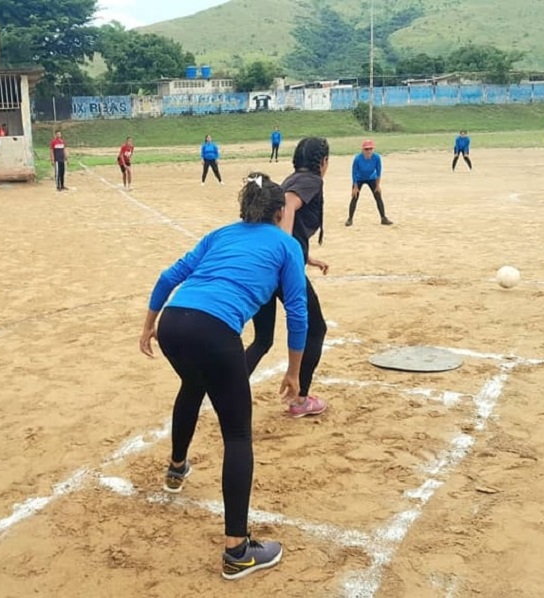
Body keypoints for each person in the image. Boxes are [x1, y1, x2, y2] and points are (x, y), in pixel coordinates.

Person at [140, 173, 307, 580]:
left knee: (193, 385)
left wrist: (149, 326)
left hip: (173, 325)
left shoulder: (220, 234)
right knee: (237, 434)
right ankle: (238, 551)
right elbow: (297, 311)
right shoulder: (287, 244)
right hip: (213, 330)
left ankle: (177, 468)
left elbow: (168, 277)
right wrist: (295, 371)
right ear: (279, 211)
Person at [245, 137, 332, 418]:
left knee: (263, 340)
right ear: (322, 162)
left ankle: (225, 385)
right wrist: (281, 252)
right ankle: (300, 400)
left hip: (267, 267)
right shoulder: (310, 181)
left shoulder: (290, 179)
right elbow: (290, 209)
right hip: (281, 268)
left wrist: (306, 258)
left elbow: (282, 219)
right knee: (315, 329)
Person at [347, 139, 391, 226]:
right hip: (359, 179)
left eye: (370, 149)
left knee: (378, 196)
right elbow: (354, 173)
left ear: (373, 149)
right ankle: (350, 219)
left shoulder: (377, 158)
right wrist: (355, 187)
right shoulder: (357, 159)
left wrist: (378, 185)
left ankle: (383, 218)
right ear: (362, 150)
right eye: (366, 149)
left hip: (371, 178)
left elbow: (378, 172)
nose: (368, 151)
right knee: (354, 197)